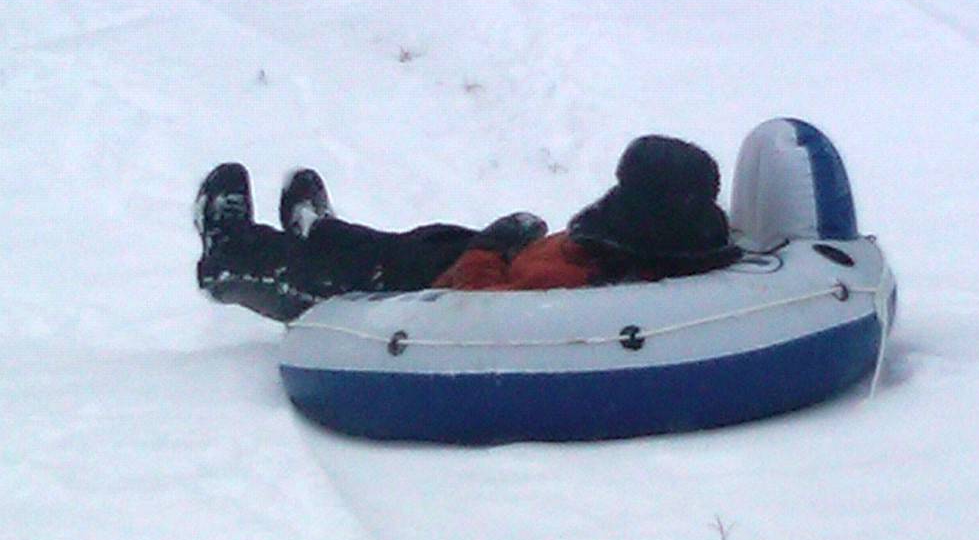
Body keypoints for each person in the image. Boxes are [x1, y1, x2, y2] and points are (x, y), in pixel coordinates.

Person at [194, 135, 741, 322]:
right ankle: (320, 233)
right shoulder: (680, 243)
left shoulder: (591, 283)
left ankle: (233, 254)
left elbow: (485, 309)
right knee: (416, 239)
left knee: (371, 269)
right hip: (489, 256)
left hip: (442, 292)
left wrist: (492, 247)